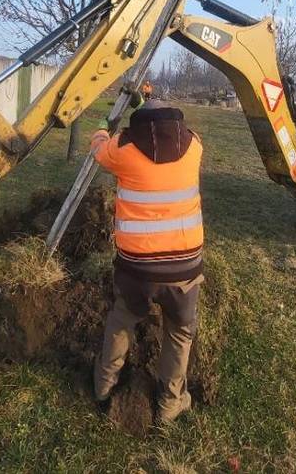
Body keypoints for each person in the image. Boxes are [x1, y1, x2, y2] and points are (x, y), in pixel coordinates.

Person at [90, 101, 203, 426]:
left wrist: (103, 124)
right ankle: (170, 405)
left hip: (136, 270)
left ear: (137, 121)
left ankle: (103, 386)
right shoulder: (194, 145)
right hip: (185, 269)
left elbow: (98, 149)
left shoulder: (122, 148)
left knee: (121, 322)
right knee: (180, 333)